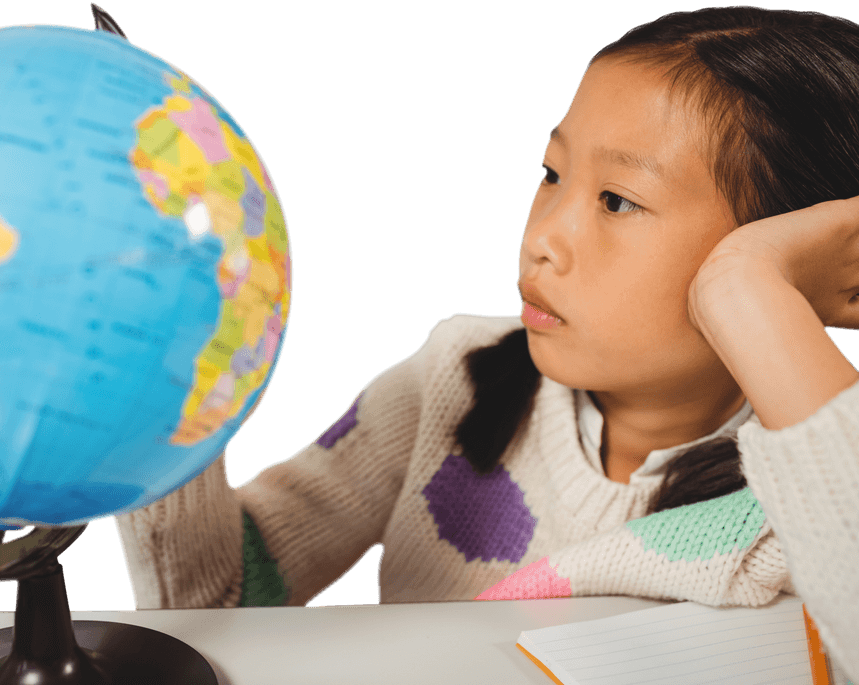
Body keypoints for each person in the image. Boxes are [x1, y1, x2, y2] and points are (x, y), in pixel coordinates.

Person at [113, 6, 859, 679]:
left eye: (617, 201)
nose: (543, 239)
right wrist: (157, 367)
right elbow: (217, 601)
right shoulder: (457, 377)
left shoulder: (813, 496)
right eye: (550, 173)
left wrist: (752, 292)